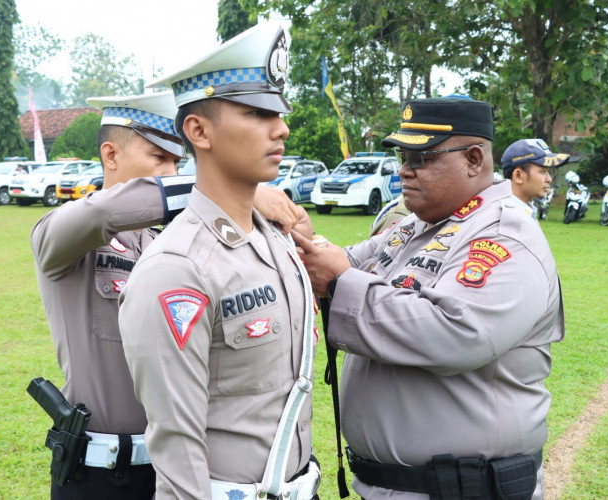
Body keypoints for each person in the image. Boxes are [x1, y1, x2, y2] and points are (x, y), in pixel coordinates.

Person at [31, 89, 301, 500]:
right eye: (160, 159)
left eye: (178, 161)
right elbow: (104, 213)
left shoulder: (172, 246)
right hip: (106, 476)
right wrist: (224, 181)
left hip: (185, 468)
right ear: (111, 155)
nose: (172, 171)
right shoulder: (62, 237)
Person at [292, 96, 564, 500]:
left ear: (474, 159)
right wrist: (299, 238)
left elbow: (458, 332)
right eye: (404, 156)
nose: (404, 169)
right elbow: (345, 261)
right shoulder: (419, 225)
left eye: (420, 158)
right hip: (398, 486)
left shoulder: (505, 233)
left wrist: (338, 282)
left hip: (464, 489)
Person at [118, 23, 320, 500]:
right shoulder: (176, 267)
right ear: (198, 131)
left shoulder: (274, 240)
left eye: (280, 112)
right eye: (257, 112)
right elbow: (177, 446)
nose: (282, 128)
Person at [501, 139, 569, 219]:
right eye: (543, 171)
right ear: (518, 175)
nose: (549, 179)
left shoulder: (524, 212)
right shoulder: (507, 220)